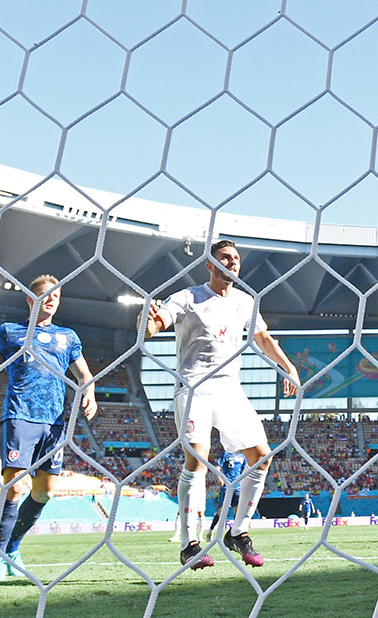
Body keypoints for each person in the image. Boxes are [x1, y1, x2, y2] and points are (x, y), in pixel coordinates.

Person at [144, 239, 300, 571]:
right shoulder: (188, 298)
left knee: (261, 458)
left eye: (236, 259)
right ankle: (190, 544)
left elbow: (262, 338)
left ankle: (239, 532)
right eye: (225, 258)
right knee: (197, 459)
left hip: (229, 389)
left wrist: (288, 367)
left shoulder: (245, 302)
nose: (232, 263)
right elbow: (155, 326)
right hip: (193, 387)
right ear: (210, 265)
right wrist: (149, 320)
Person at [0, 274, 98, 581]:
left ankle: (12, 548)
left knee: (44, 492)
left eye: (56, 295)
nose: (51, 299)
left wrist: (89, 392)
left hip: (54, 423)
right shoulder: (10, 332)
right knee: (14, 486)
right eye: (45, 294)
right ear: (31, 299)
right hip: (20, 415)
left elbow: (84, 374)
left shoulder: (68, 337)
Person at [206, 450, 249, 541]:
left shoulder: (242, 456)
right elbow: (217, 468)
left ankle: (234, 534)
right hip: (227, 486)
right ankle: (211, 530)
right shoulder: (226, 454)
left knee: (237, 512)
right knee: (222, 512)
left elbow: (244, 471)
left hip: (238, 487)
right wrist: (220, 478)